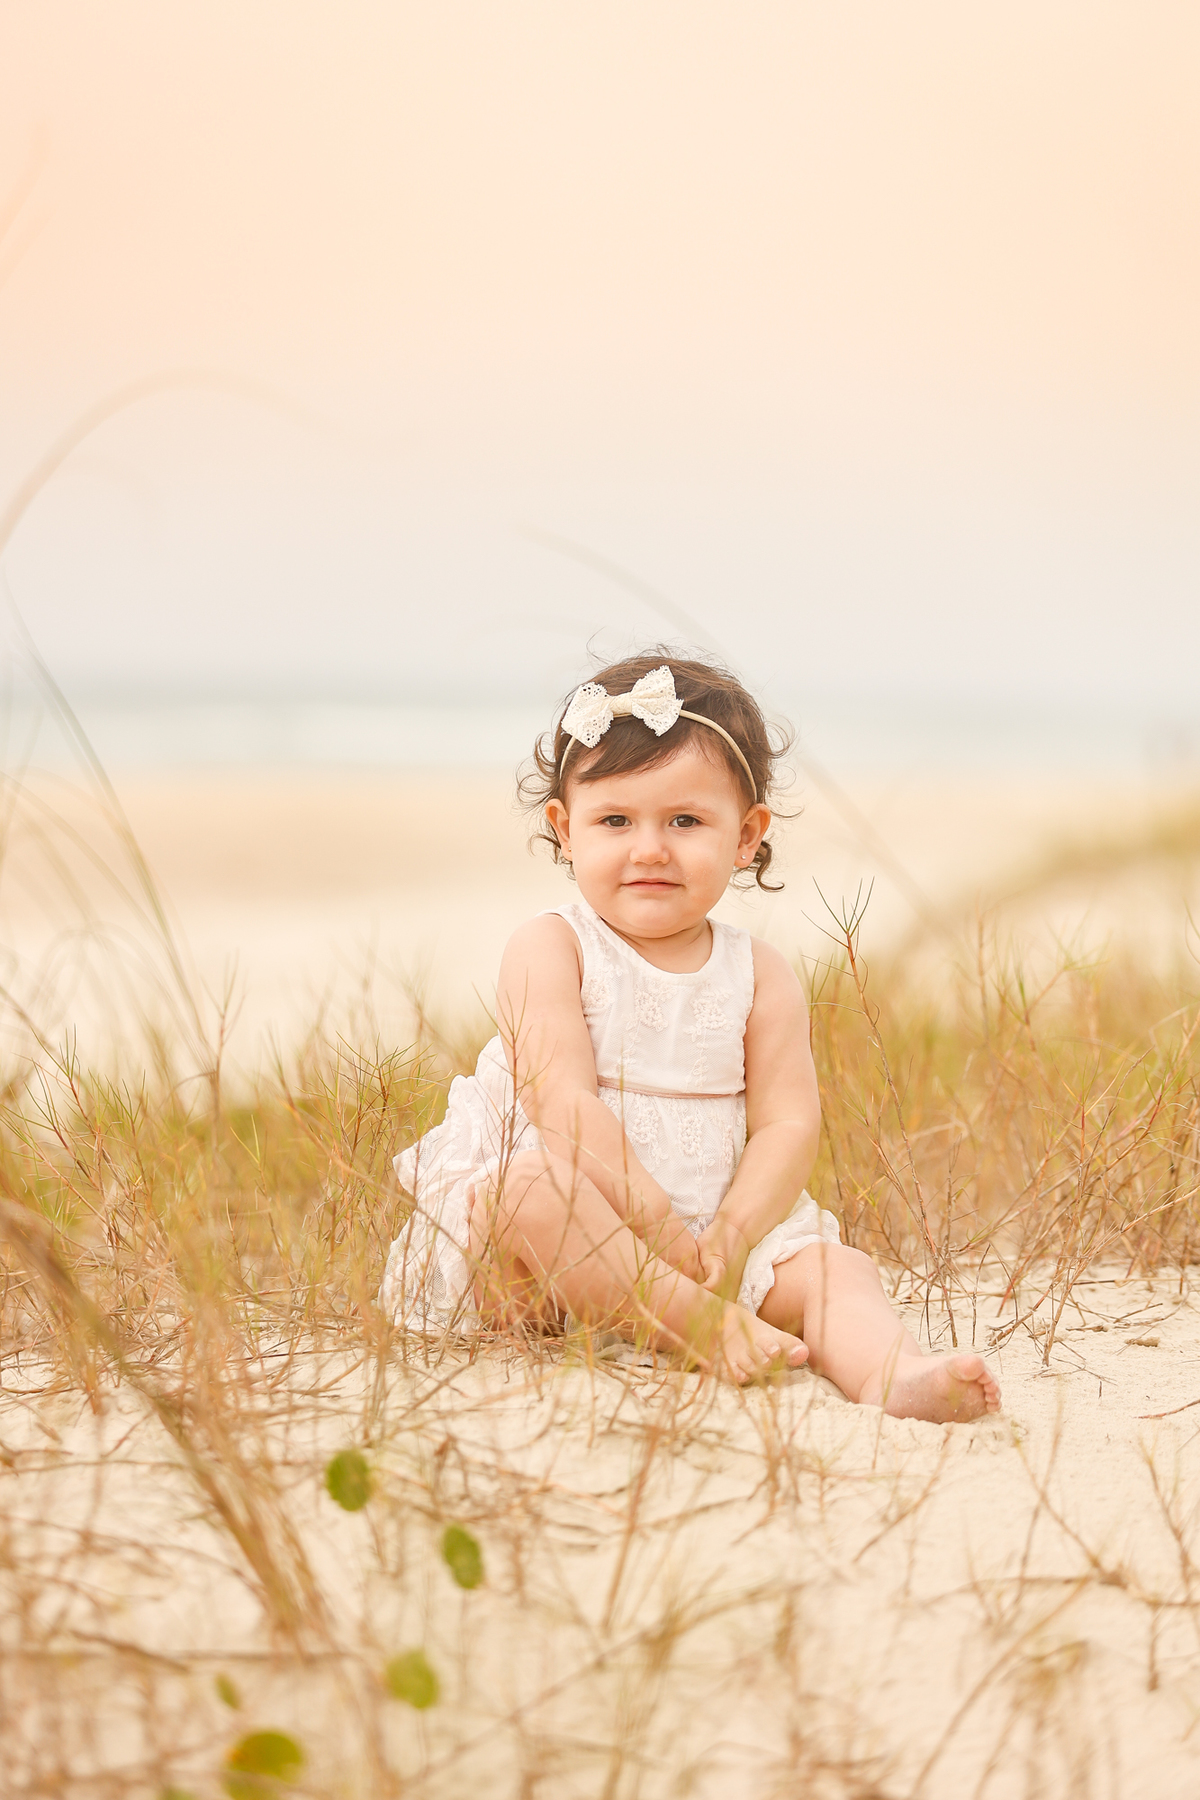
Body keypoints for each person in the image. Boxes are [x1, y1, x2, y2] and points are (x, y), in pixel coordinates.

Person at [381, 651, 1000, 1417]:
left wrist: (734, 1233)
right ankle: (700, 1326)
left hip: (712, 1245)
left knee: (836, 1271)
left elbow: (788, 1123)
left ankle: (895, 1375)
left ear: (745, 835)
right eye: (615, 820)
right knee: (524, 1192)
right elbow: (559, 1102)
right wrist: (649, 1221)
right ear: (565, 830)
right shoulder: (553, 947)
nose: (650, 848)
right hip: (558, 1259)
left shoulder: (760, 973)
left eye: (685, 821)